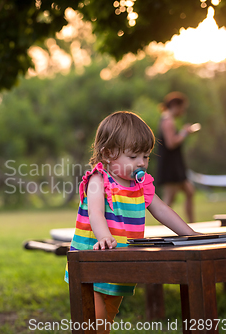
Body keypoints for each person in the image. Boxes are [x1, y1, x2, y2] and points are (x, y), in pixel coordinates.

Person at [64, 111, 197, 334]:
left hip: (118, 265)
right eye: (133, 157)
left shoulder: (141, 185)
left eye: (146, 156)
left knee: (106, 323)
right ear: (108, 154)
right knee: (93, 323)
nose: (142, 163)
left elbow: (162, 210)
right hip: (90, 264)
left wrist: (191, 234)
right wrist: (105, 236)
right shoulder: (98, 179)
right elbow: (96, 213)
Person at [156, 92, 197, 223]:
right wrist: (185, 132)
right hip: (170, 166)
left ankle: (192, 223)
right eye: (182, 107)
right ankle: (162, 228)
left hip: (176, 165)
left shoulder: (168, 119)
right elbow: (171, 143)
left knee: (190, 191)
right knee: (168, 200)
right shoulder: (168, 121)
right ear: (175, 106)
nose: (183, 111)